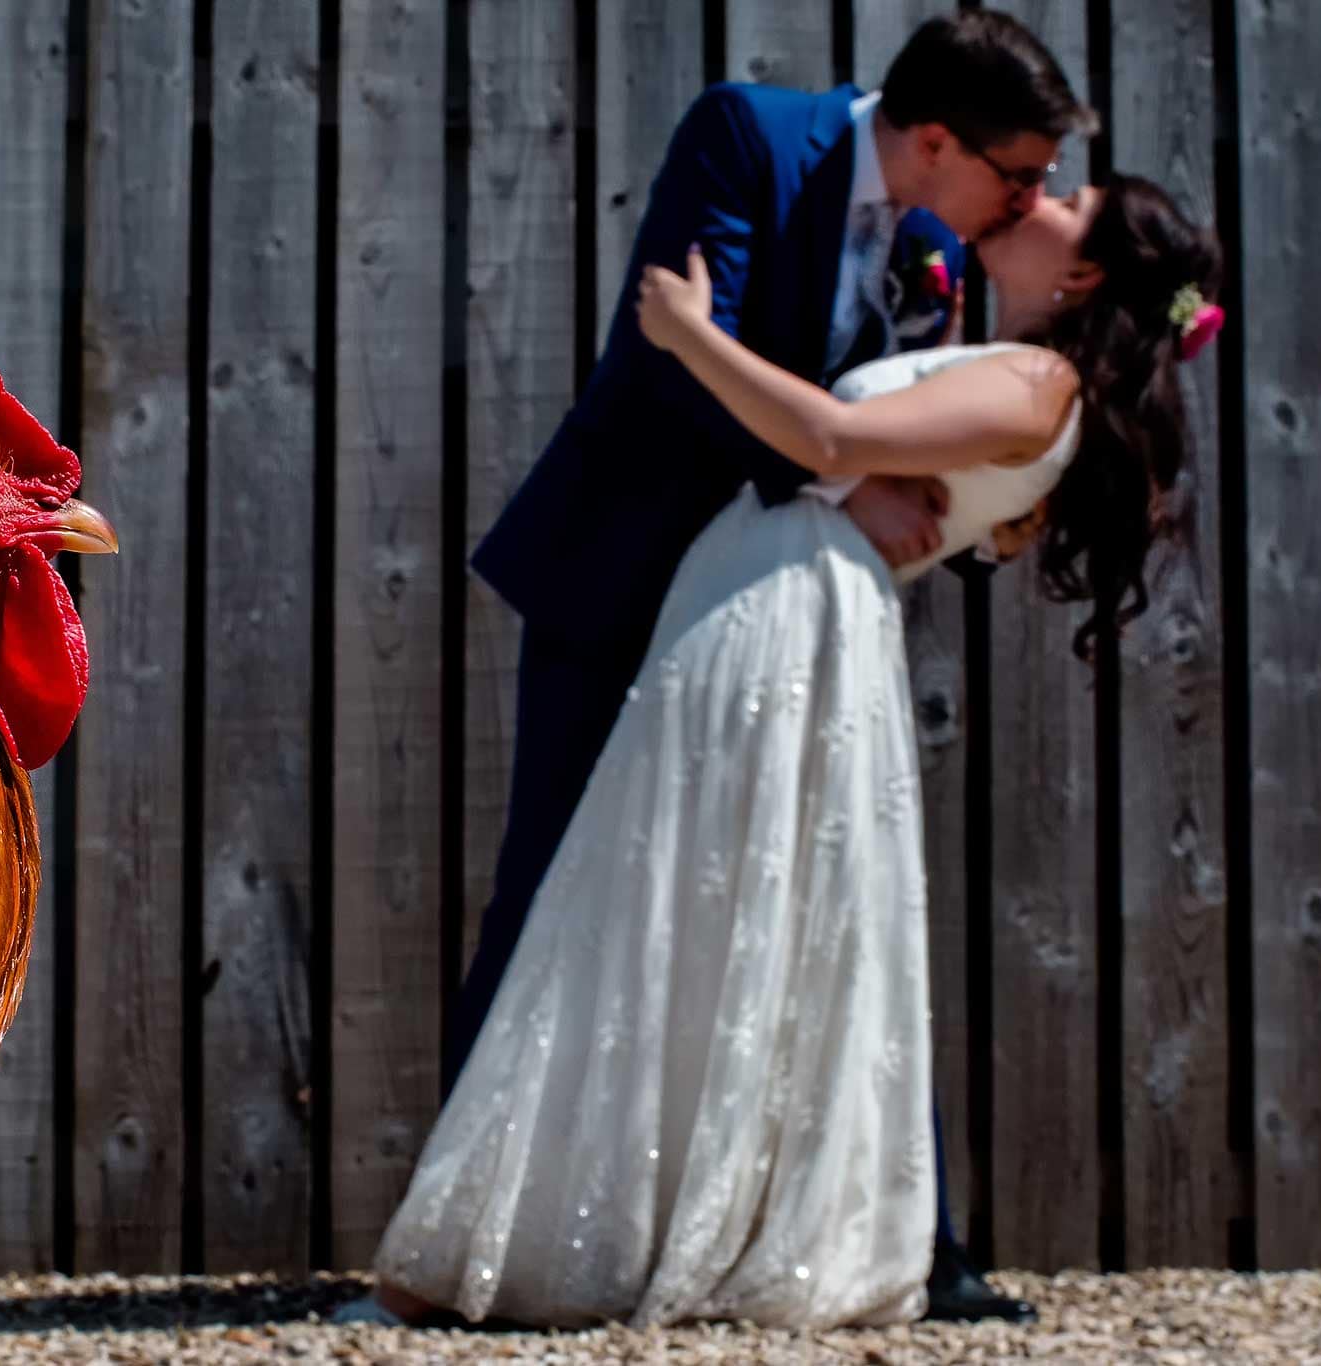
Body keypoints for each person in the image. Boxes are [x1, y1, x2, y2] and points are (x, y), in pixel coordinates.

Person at [342, 173, 1221, 1330]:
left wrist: (686, 334)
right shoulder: (1010, 363)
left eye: (1071, 197)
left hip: (787, 608)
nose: (1043, 188)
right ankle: (610, 1225)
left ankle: (592, 1237)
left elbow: (828, 433)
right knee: (690, 900)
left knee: (659, 891)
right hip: (786, 594)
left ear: (1084, 271)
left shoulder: (1035, 381)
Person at [447, 11, 1095, 1323]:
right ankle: (465, 1243)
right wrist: (842, 482)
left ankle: (918, 1249)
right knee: (547, 884)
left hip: (782, 616)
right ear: (934, 140)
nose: (1029, 202)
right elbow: (678, 357)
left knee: (836, 905)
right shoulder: (746, 136)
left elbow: (927, 410)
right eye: (1016, 176)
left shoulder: (939, 239)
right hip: (627, 576)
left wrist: (979, 513)